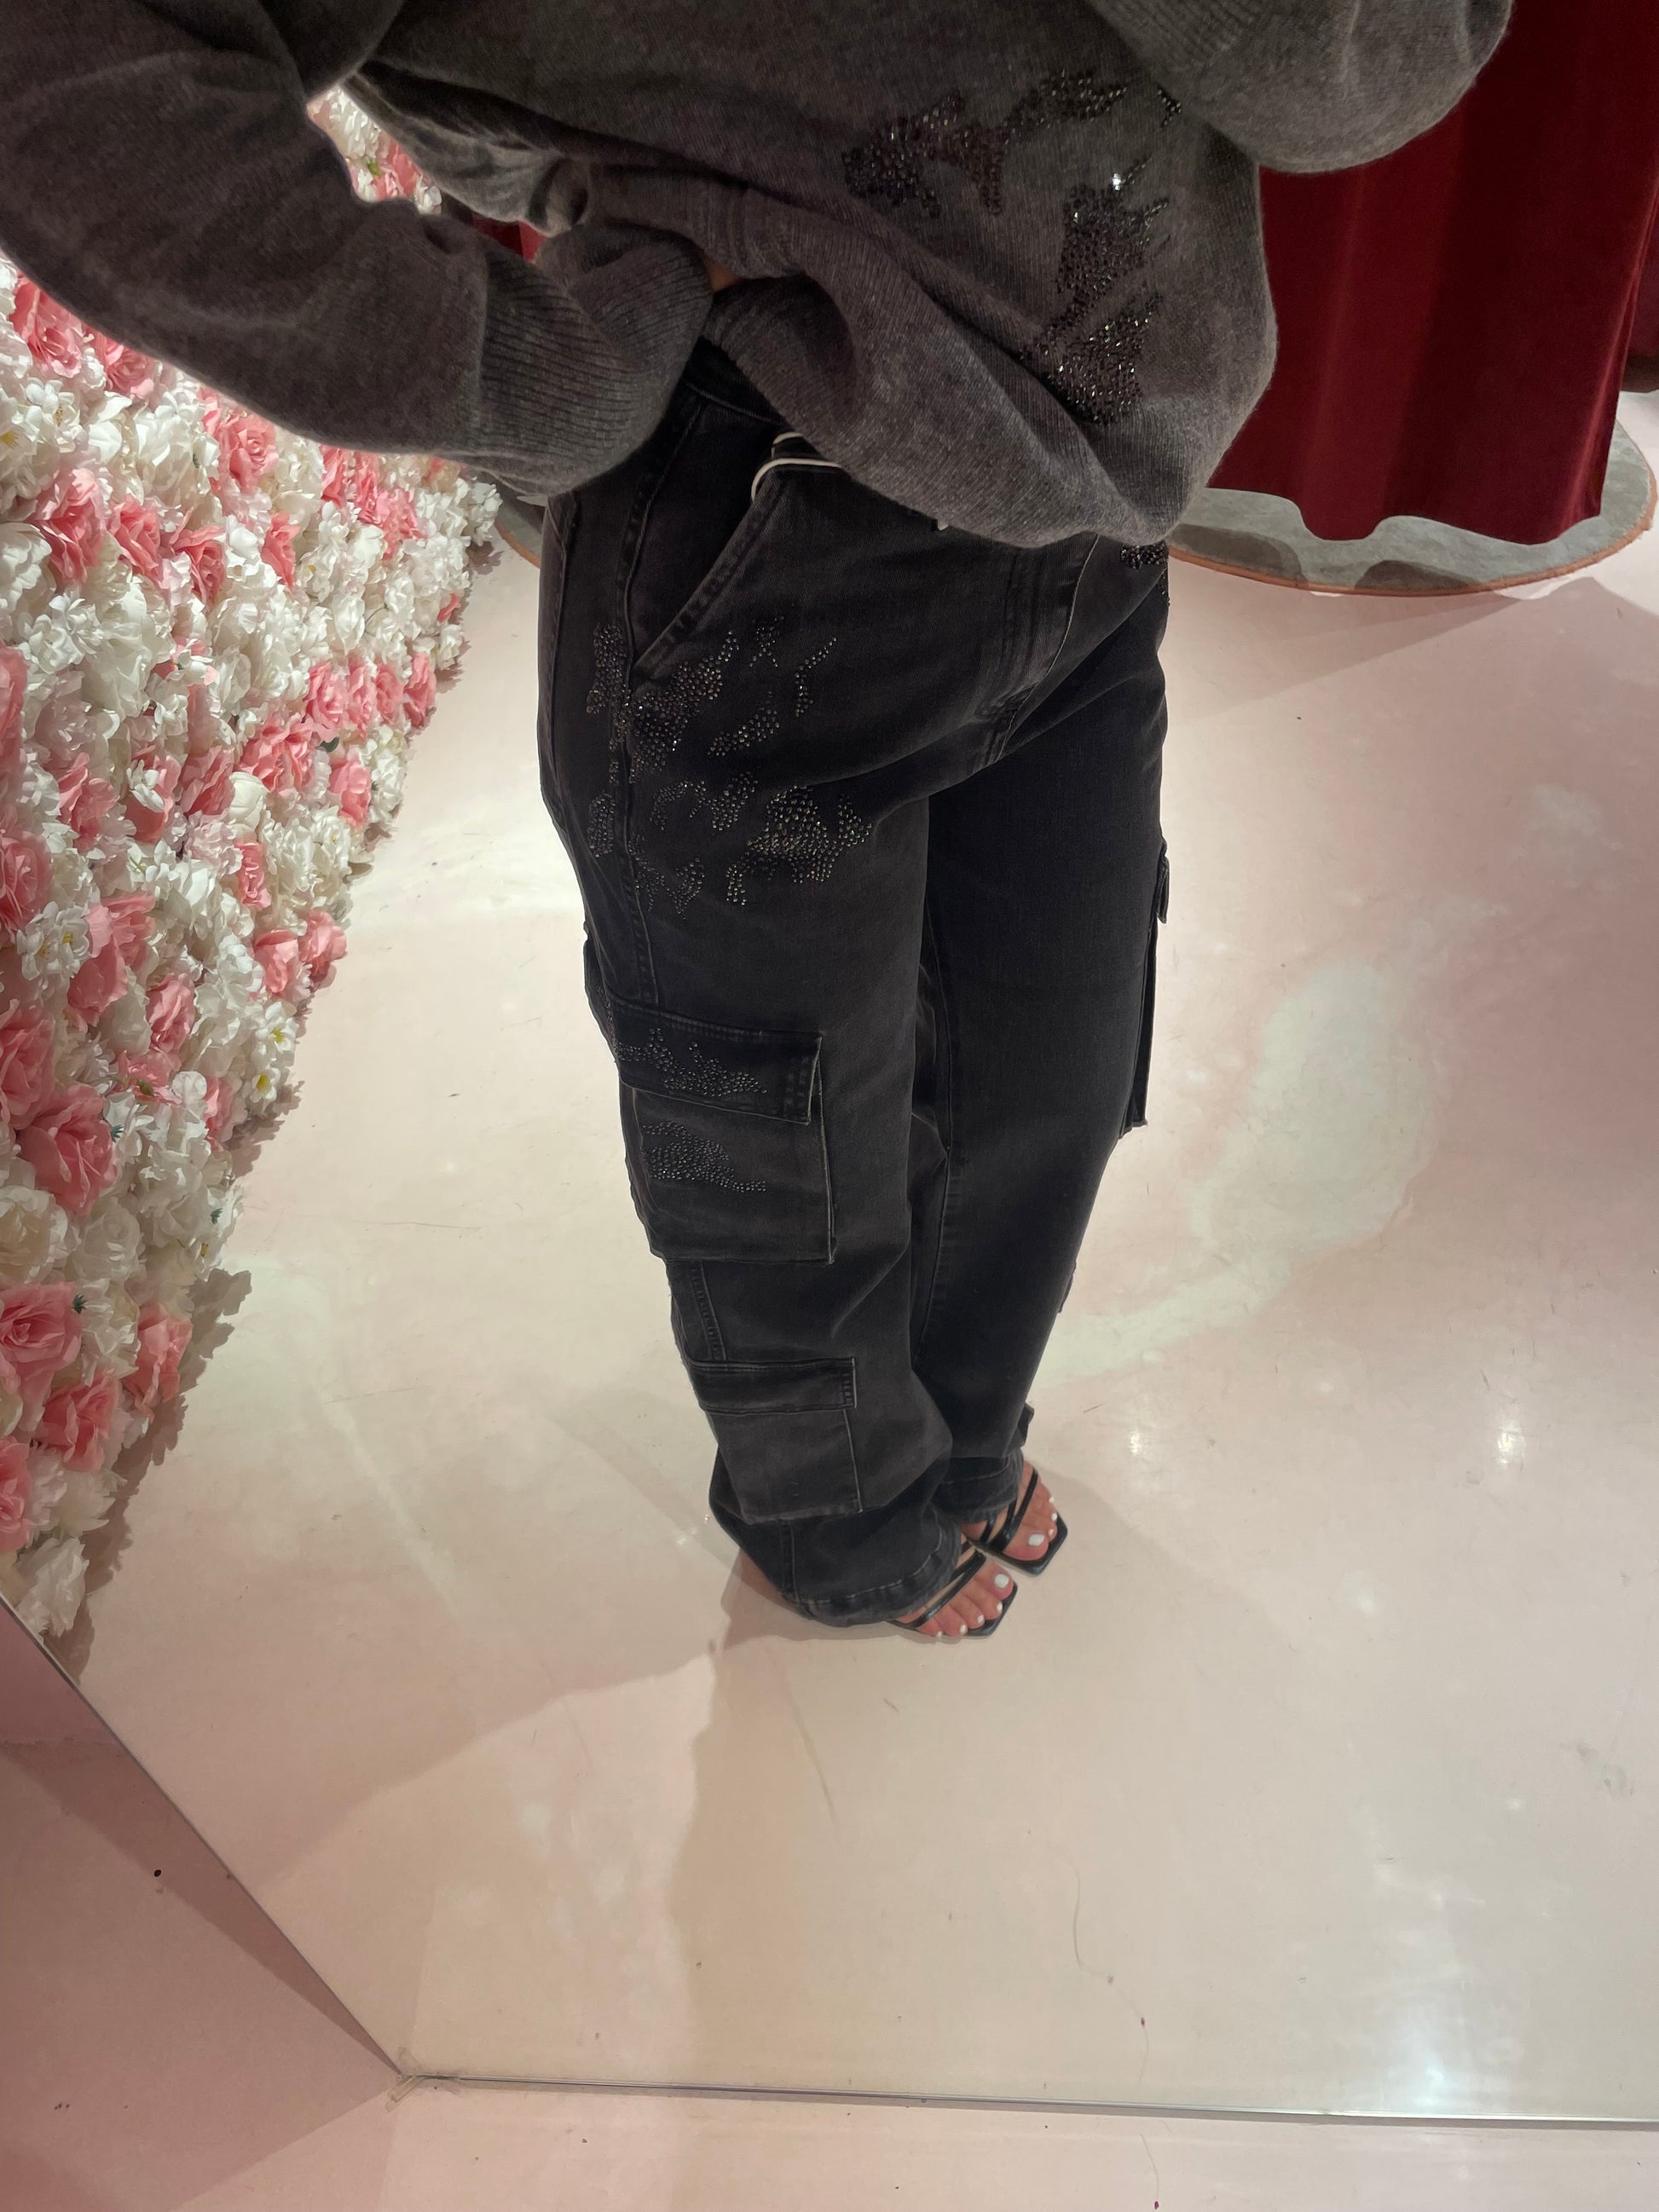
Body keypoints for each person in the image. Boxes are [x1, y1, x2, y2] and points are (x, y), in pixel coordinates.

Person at [3, 0, 1509, 1638]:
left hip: (1100, 489)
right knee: (783, 1159)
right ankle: (844, 1526)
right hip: (757, 506)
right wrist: (522, 368)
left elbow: (1349, 79)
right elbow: (72, 70)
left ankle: (958, 1445)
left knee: (1049, 1077)